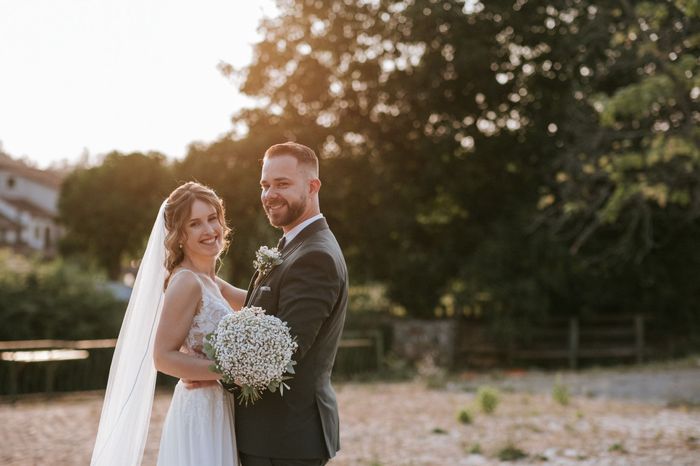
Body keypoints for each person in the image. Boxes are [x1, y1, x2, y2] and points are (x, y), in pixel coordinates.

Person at [90, 181, 246, 466]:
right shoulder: (186, 281)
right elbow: (163, 358)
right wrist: (229, 371)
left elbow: (256, 304)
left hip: (221, 406)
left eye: (213, 219)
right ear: (180, 235)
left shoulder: (210, 281)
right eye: (195, 224)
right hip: (201, 409)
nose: (210, 230)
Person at [235, 142, 349, 466]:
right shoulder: (296, 245)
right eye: (265, 185)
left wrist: (203, 369)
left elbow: (283, 350)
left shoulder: (315, 256)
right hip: (275, 436)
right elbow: (264, 302)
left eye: (282, 184)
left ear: (313, 186)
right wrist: (205, 282)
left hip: (285, 440)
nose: (270, 194)